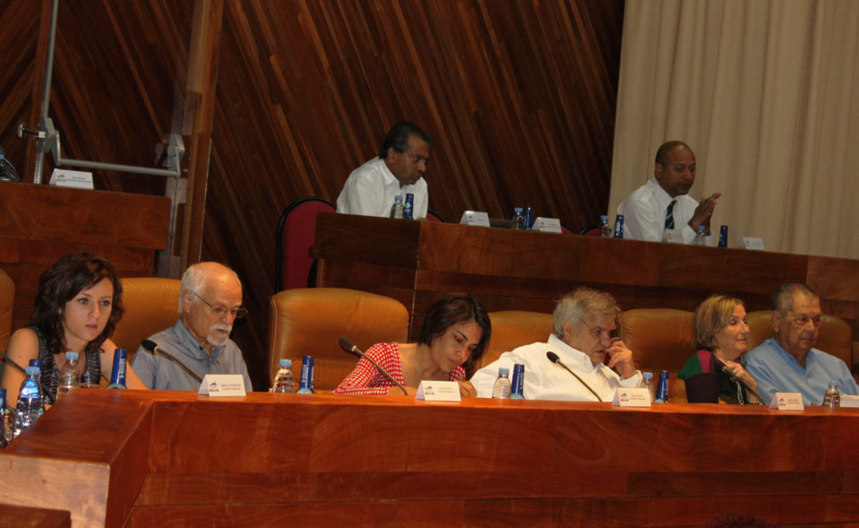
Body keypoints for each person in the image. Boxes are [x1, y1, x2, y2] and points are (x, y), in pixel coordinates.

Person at [1, 252, 147, 405]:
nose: (96, 314)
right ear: (58, 304)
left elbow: (146, 402)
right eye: (84, 301)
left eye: (104, 303)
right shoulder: (28, 340)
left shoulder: (102, 348)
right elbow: (12, 405)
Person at [470, 287, 642, 400]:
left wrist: (630, 377)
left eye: (610, 333)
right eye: (597, 332)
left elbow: (642, 426)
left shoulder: (609, 374)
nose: (606, 342)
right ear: (569, 329)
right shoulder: (531, 358)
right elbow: (479, 388)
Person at [334, 293, 490, 396]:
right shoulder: (384, 355)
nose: (462, 355)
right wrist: (394, 393)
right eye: (458, 340)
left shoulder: (456, 375)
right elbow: (341, 392)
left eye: (471, 348)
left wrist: (469, 403)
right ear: (437, 326)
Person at [130, 262, 253, 391]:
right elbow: (133, 409)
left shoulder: (231, 352)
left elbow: (249, 409)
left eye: (233, 311)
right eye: (218, 309)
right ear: (188, 302)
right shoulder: (155, 355)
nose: (228, 320)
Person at [744, 283, 858, 405]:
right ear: (777, 321)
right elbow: (776, 419)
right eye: (802, 319)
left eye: (816, 320)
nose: (811, 328)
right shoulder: (758, 364)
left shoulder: (836, 365)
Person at [617, 140, 721, 243]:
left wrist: (704, 225)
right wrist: (693, 224)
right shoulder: (640, 204)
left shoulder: (691, 205)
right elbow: (656, 253)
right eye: (680, 169)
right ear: (659, 170)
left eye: (692, 169)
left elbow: (703, 255)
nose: (688, 176)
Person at [336, 121, 431, 219]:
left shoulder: (420, 186)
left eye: (425, 161)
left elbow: (417, 231)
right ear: (392, 155)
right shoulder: (365, 180)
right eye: (416, 159)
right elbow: (365, 231)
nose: (423, 168)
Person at [679, 295, 760, 404]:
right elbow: (708, 419)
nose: (745, 330)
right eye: (733, 323)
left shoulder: (737, 365)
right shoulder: (703, 363)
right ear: (711, 330)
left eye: (745, 321)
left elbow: (752, 420)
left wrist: (752, 388)